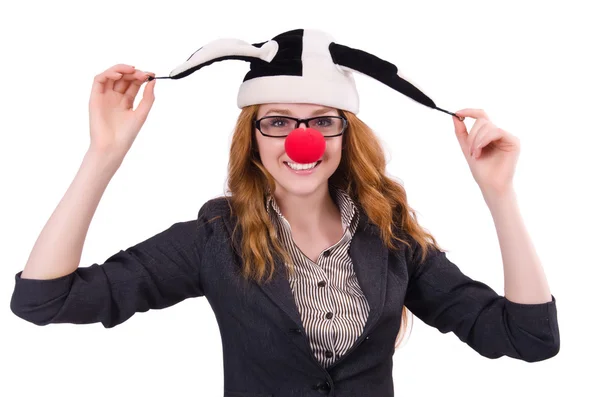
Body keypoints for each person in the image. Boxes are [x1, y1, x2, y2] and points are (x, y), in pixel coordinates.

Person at [10, 29, 560, 397]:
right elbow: (43, 300)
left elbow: (529, 339)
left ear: (346, 135)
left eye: (322, 120)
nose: (302, 141)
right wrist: (103, 155)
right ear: (253, 139)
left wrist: (500, 195)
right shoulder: (214, 239)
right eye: (278, 120)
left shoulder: (393, 243)